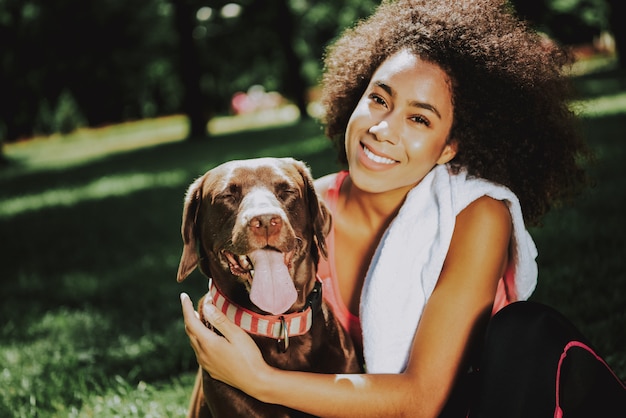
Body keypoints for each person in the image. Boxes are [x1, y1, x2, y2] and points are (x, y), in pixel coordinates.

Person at [180, 0, 625, 416]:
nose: (383, 129)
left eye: (419, 118)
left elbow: (421, 399)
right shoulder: (296, 217)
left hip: (515, 395)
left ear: (450, 146)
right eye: (378, 98)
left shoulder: (475, 214)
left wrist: (259, 381)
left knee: (522, 328)